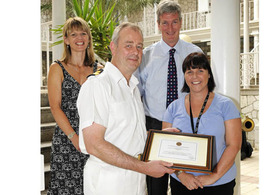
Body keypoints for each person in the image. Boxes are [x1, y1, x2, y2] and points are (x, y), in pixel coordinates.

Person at [76, 22, 175, 195]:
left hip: (136, 184)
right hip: (108, 185)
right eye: (128, 45)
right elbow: (94, 144)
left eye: (139, 47)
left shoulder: (133, 88)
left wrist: (160, 139)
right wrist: (145, 167)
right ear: (113, 47)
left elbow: (128, 135)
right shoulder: (98, 85)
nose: (135, 52)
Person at [134, 1, 203, 194]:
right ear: (158, 24)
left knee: (185, 184)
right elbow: (136, 94)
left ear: (181, 22)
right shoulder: (145, 56)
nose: (170, 28)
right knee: (156, 186)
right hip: (154, 127)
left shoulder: (194, 53)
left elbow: (204, 88)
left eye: (174, 22)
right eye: (165, 23)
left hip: (185, 125)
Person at [162, 52, 242, 195]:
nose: (195, 76)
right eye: (189, 72)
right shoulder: (173, 108)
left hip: (219, 183)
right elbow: (165, 149)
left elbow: (234, 145)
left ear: (209, 74)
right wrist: (181, 174)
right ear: (184, 76)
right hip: (182, 183)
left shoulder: (226, 106)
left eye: (200, 71)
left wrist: (213, 177)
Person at [47, 17, 99, 195]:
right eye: (74, 34)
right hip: (66, 140)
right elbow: (55, 107)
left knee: (91, 187)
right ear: (66, 40)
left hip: (93, 138)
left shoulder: (98, 69)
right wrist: (74, 138)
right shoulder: (57, 68)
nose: (79, 38)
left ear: (89, 38)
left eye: (83, 33)